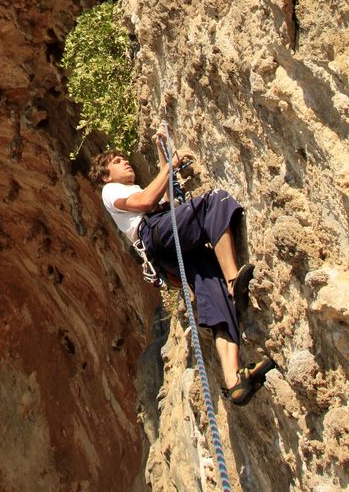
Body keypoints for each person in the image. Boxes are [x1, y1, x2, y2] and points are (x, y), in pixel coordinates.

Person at [90, 133, 276, 406]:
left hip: (165, 244)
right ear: (106, 176)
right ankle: (234, 279)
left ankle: (233, 380)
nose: (126, 162)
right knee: (215, 201)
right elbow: (145, 203)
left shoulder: (133, 188)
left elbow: (168, 199)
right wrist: (170, 166)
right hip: (156, 233)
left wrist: (164, 156)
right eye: (118, 162)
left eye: (125, 158)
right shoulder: (111, 191)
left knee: (213, 291)